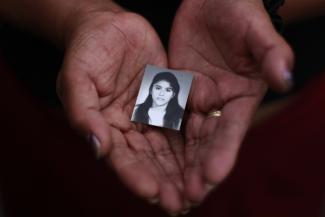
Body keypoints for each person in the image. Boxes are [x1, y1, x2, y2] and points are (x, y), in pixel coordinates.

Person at [1, 0, 325, 215]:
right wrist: (77, 13)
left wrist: (262, 3)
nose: (160, 94)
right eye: (158, 89)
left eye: (165, 90)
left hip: (274, 127)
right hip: (65, 123)